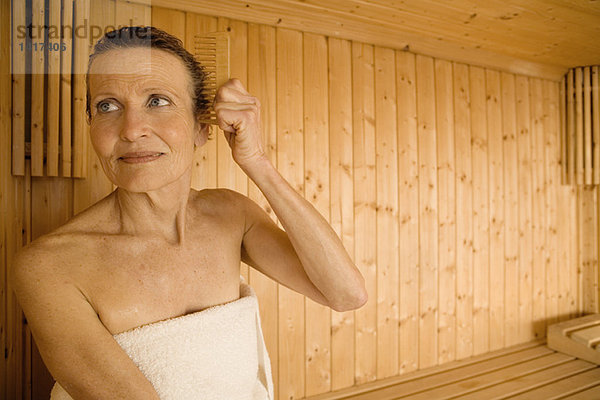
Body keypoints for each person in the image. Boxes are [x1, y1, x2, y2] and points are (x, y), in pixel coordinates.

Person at [10, 26, 367, 399]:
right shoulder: (50, 265)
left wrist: (256, 161)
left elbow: (345, 293)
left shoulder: (231, 215)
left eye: (157, 101)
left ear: (201, 127)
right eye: (107, 106)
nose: (131, 130)